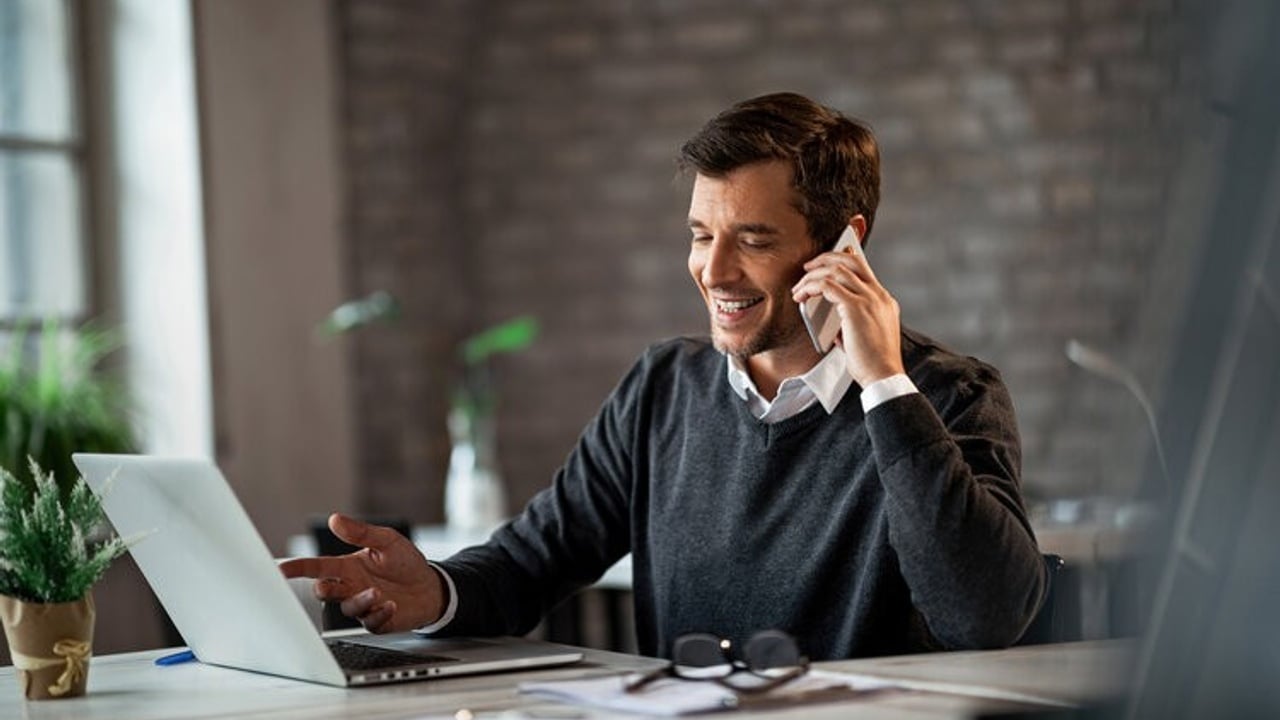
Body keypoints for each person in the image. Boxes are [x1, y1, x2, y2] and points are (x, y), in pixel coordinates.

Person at [281, 92, 1046, 661]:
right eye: (700, 234)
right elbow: (530, 562)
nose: (713, 270)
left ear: (845, 244)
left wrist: (883, 383)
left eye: (751, 239)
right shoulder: (661, 389)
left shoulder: (946, 396)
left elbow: (982, 617)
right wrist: (436, 592)